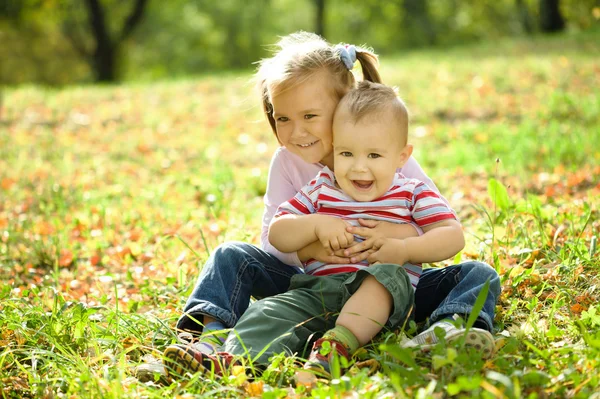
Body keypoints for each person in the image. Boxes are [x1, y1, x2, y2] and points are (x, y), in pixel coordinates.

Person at [162, 32, 500, 377]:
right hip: (313, 281)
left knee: (479, 274)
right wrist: (315, 245)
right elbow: (272, 239)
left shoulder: (388, 154)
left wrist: (399, 238)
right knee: (229, 254)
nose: (297, 132)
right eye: (283, 119)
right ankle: (209, 340)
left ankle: (445, 330)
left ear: (343, 106)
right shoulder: (291, 166)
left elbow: (438, 225)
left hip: (390, 279)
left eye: (310, 116)